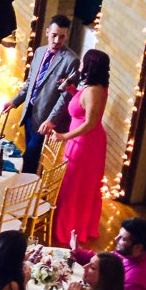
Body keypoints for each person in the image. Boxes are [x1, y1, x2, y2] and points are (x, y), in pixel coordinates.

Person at [47, 49, 111, 246]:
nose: (80, 65)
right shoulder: (92, 87)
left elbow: (90, 122)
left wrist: (63, 136)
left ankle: (70, 229)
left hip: (85, 144)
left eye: (84, 62)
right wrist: (73, 91)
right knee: (75, 184)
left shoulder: (94, 91)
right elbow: (84, 109)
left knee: (75, 186)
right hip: (83, 141)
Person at [8, 14, 80, 177]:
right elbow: (30, 82)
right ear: (47, 32)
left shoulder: (71, 61)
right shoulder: (39, 52)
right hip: (29, 110)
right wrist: (15, 101)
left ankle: (21, 185)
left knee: (31, 154)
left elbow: (65, 97)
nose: (57, 40)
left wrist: (52, 120)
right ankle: (30, 183)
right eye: (54, 35)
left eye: (62, 37)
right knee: (30, 150)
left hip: (45, 117)